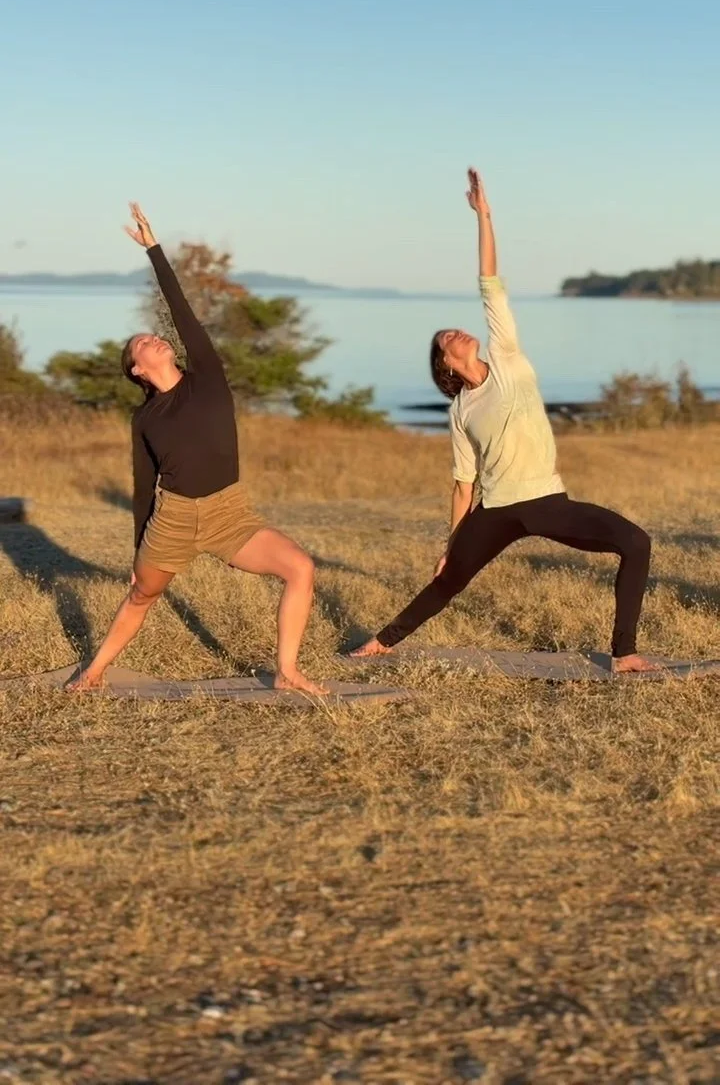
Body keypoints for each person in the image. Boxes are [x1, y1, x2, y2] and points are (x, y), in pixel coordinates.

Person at [351, 169, 655, 673]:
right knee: (447, 580)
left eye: (457, 329)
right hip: (495, 509)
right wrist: (452, 544)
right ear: (445, 365)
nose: (457, 333)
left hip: (546, 499)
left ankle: (624, 653)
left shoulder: (508, 358)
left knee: (637, 542)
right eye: (447, 338)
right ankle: (381, 643)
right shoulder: (461, 410)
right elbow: (462, 482)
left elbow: (490, 285)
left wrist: (484, 216)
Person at [68, 204, 326, 695]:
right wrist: (138, 545)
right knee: (143, 595)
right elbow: (143, 483)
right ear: (136, 370)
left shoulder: (206, 378)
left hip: (230, 511)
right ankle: (94, 671)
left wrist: (154, 250)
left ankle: (287, 672)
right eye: (142, 343)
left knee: (300, 567)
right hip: (174, 519)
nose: (154, 339)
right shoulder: (144, 417)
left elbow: (182, 312)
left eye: (154, 336)